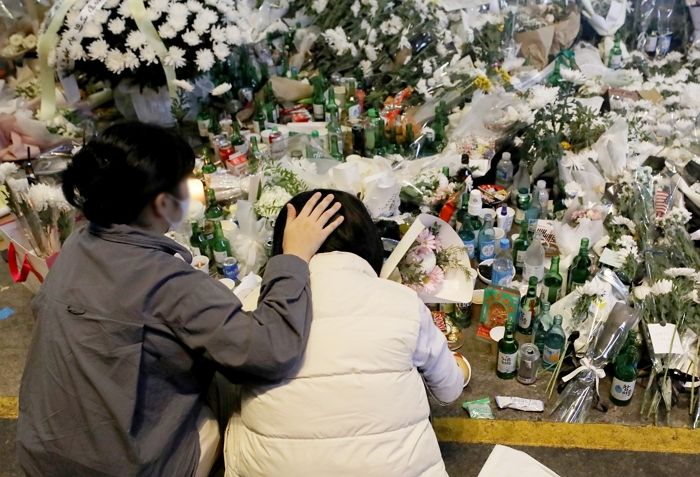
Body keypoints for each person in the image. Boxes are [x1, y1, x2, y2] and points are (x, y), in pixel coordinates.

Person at [16, 122, 344, 477]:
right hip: (124, 468)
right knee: (236, 397)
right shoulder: (166, 282)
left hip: (42, 458)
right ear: (161, 203)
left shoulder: (78, 244)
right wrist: (293, 257)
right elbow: (271, 351)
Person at [224, 189, 469, 477]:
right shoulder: (402, 302)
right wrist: (458, 365)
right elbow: (449, 389)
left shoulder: (251, 304)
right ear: (369, 241)